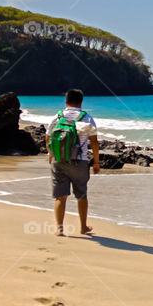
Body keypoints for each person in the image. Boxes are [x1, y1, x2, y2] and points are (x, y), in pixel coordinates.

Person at [46, 89, 100, 237]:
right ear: (81, 102)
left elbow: (48, 138)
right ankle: (83, 227)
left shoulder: (57, 117)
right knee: (81, 195)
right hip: (79, 161)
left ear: (66, 101)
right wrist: (96, 162)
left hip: (58, 160)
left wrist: (51, 154)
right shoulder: (86, 118)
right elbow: (94, 142)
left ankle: (59, 229)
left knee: (60, 197)